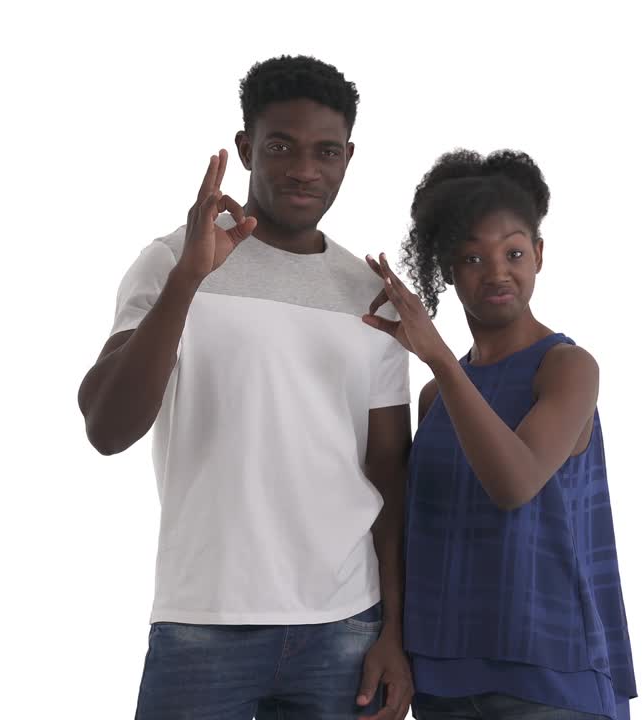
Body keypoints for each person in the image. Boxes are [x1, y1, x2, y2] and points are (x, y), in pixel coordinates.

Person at [78, 55, 414, 720]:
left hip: (344, 624)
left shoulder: (370, 294)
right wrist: (187, 283)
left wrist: (396, 635)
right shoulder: (175, 259)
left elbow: (391, 477)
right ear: (245, 148)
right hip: (204, 619)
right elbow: (107, 428)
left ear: (348, 157)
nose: (303, 170)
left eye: (325, 152)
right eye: (281, 146)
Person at [361, 150, 637, 720]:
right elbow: (413, 526)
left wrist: (439, 357)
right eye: (471, 257)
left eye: (513, 252)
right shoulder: (436, 399)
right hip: (441, 677)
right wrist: (394, 637)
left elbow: (514, 483)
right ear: (446, 270)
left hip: (548, 678)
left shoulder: (566, 368)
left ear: (538, 254)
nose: (497, 272)